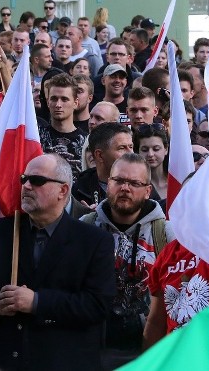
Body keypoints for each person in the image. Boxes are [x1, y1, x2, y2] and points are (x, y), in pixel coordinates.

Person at [0, 153, 116, 371]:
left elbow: (97, 306)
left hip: (66, 362)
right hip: (9, 360)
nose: (26, 186)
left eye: (37, 181)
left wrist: (37, 302)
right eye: (23, 179)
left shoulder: (93, 240)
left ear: (63, 190)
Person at [80, 153, 174, 368]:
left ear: (148, 190)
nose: (125, 188)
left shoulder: (166, 233)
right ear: (108, 184)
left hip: (148, 349)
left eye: (134, 183)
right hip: (93, 347)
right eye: (119, 181)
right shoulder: (86, 225)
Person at [38, 74, 87, 180]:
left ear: (75, 103)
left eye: (64, 99)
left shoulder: (86, 142)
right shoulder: (36, 138)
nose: (58, 104)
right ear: (48, 102)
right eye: (54, 99)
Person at [134, 123, 169, 205]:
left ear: (166, 149)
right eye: (145, 150)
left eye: (156, 149)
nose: (150, 154)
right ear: (137, 152)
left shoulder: (177, 180)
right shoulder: (134, 184)